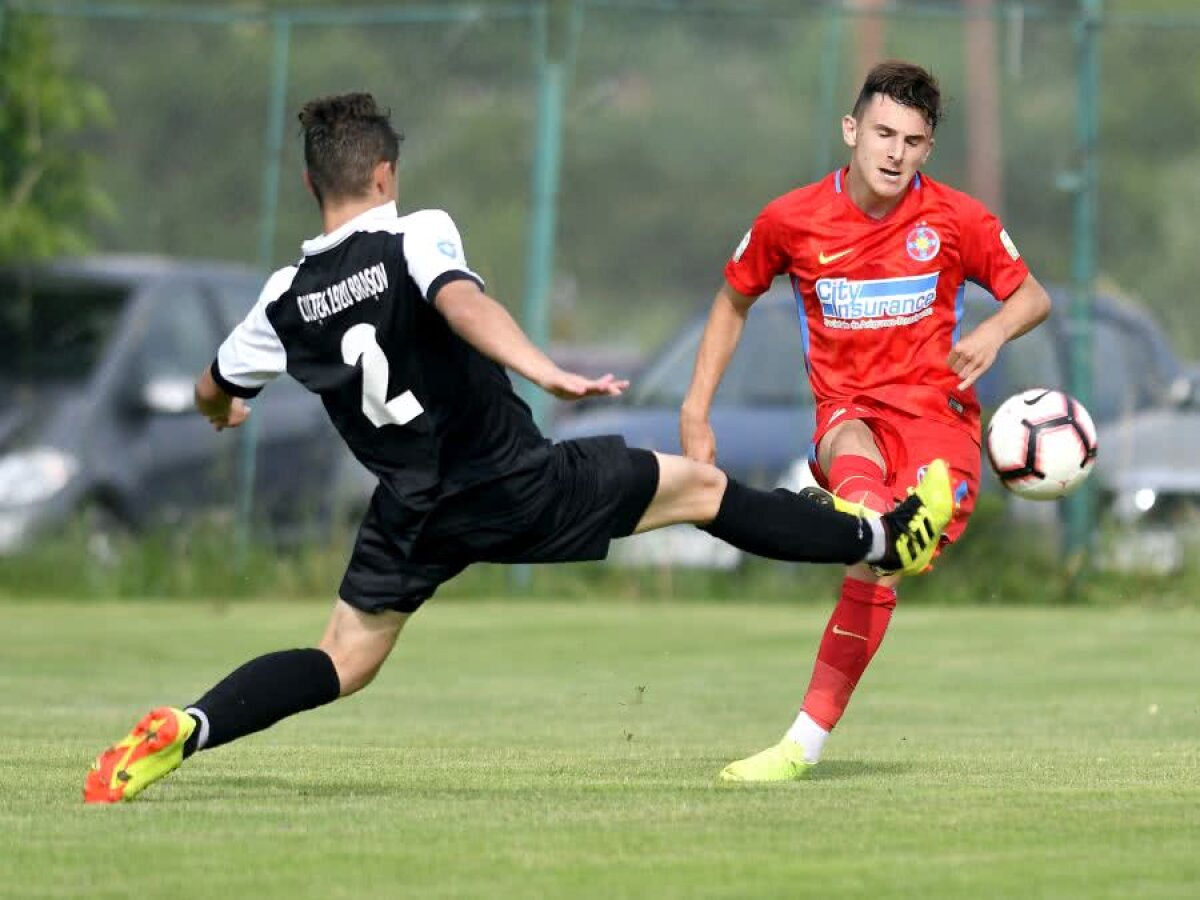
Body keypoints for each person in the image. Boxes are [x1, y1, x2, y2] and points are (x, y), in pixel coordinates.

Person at [83, 92, 954, 804]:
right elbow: (461, 303)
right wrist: (546, 368)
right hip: (515, 481)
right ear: (385, 174)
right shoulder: (414, 232)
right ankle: (881, 537)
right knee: (697, 486)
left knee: (340, 660)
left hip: (411, 511)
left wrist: (220, 409)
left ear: (314, 182)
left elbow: (212, 385)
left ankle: (189, 727)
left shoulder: (282, 298)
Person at [680, 61, 1052, 782]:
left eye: (912, 140)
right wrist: (696, 409)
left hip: (936, 421)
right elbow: (732, 301)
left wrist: (995, 331)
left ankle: (804, 733)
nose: (894, 152)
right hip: (848, 413)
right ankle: (875, 524)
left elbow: (1031, 295)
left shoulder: (955, 219)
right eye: (883, 132)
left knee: (878, 570)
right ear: (851, 130)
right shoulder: (789, 220)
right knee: (850, 448)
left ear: (927, 150)